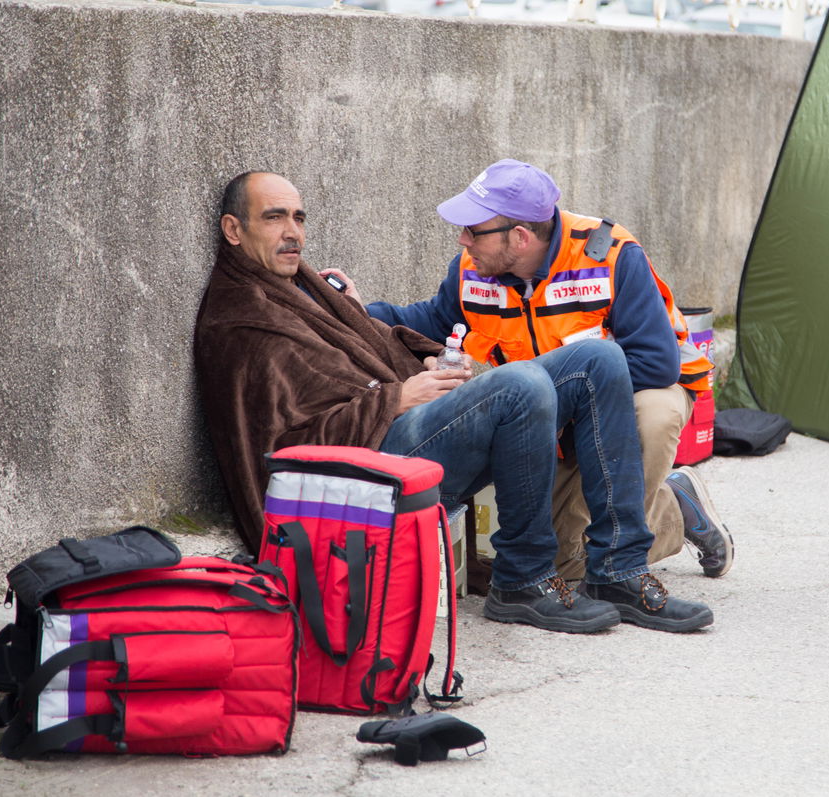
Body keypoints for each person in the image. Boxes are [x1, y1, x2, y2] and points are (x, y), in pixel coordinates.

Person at [194, 170, 713, 634]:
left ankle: (619, 572)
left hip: (432, 423)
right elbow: (282, 441)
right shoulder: (239, 317)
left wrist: (414, 362)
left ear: (520, 236)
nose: (294, 232)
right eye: (275, 217)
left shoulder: (612, 254)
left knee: (600, 362)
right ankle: (522, 579)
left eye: (298, 217)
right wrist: (396, 394)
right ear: (233, 230)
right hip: (370, 458)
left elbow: (363, 342)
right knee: (520, 385)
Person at [364, 159, 735, 581]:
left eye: (473, 229)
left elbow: (655, 362)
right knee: (561, 563)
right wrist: (343, 306)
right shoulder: (473, 270)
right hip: (556, 407)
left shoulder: (610, 254)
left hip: (642, 391)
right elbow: (424, 318)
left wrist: (551, 396)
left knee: (652, 418)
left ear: (520, 237)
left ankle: (620, 545)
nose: (462, 239)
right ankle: (677, 511)